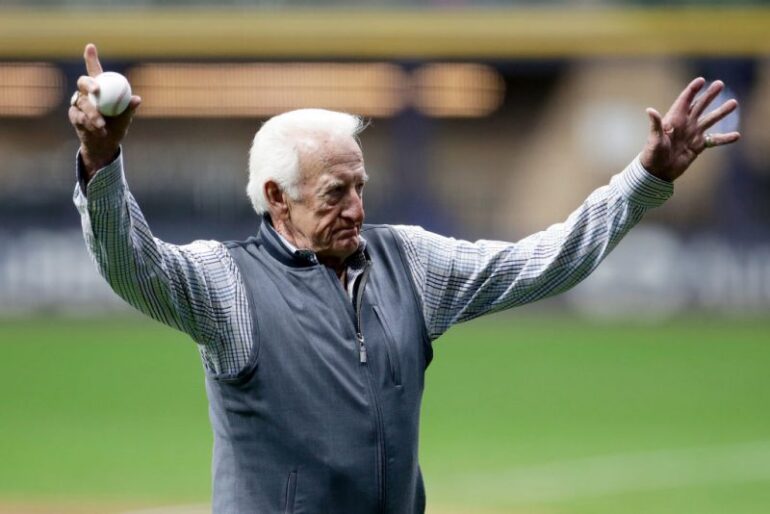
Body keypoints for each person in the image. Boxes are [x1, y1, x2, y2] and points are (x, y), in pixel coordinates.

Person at [69, 43, 740, 514]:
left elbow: (544, 261)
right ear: (277, 198)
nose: (357, 207)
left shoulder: (409, 263)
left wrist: (643, 181)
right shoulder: (228, 286)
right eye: (335, 193)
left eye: (360, 186)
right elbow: (134, 264)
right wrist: (102, 163)